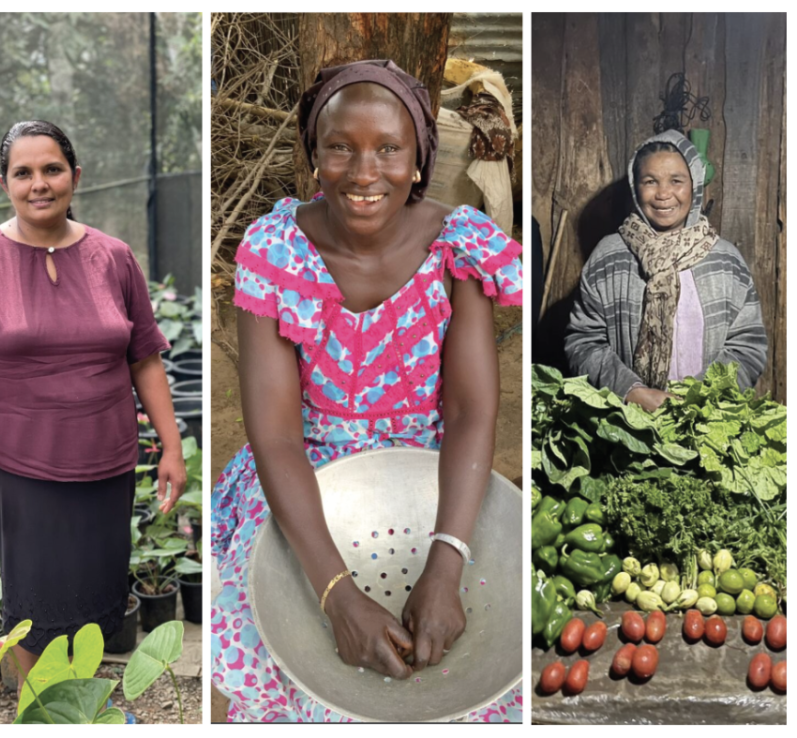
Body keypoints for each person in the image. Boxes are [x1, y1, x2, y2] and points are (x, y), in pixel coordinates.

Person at [211, 60, 523, 722]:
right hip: (304, 471)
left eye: (388, 149)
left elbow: (470, 411)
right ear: (314, 156)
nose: (363, 172)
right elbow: (273, 435)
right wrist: (335, 593)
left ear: (418, 162)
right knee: (299, 665)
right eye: (340, 148)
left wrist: (446, 565)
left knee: (487, 667)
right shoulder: (274, 253)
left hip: (433, 470)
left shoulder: (454, 248)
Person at [0, 120, 185, 688]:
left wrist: (171, 445)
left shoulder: (112, 257)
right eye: (24, 173)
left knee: (94, 598)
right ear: (4, 184)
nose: (39, 183)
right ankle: (38, 710)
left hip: (107, 463)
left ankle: (80, 706)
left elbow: (144, 357)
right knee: (33, 606)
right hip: (25, 470)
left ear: (75, 177)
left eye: (52, 169)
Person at [564, 129, 767, 410]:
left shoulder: (725, 261)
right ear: (636, 188)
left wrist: (702, 399)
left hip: (711, 415)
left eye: (676, 181)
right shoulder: (609, 258)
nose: (663, 194)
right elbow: (584, 340)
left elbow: (748, 345)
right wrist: (632, 392)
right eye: (650, 181)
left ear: (693, 185)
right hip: (626, 417)